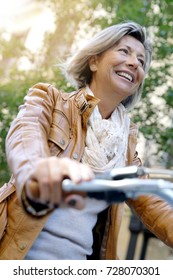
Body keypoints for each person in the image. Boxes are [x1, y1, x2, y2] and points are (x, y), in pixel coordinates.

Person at [1, 20, 173, 260]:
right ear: (94, 61)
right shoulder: (51, 100)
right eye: (124, 51)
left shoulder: (127, 148)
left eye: (141, 61)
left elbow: (154, 205)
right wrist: (39, 168)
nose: (134, 62)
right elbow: (24, 135)